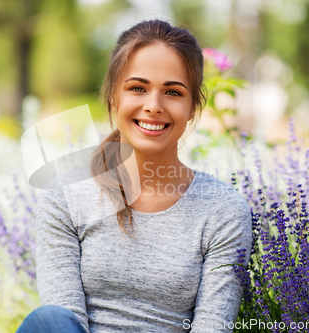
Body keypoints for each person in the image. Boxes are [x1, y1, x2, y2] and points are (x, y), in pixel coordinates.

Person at [16, 19, 252, 333]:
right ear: (114, 96)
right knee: (49, 321)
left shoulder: (223, 211)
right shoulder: (64, 193)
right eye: (138, 88)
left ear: (193, 107)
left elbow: (212, 326)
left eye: (173, 92)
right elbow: (64, 319)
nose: (153, 106)